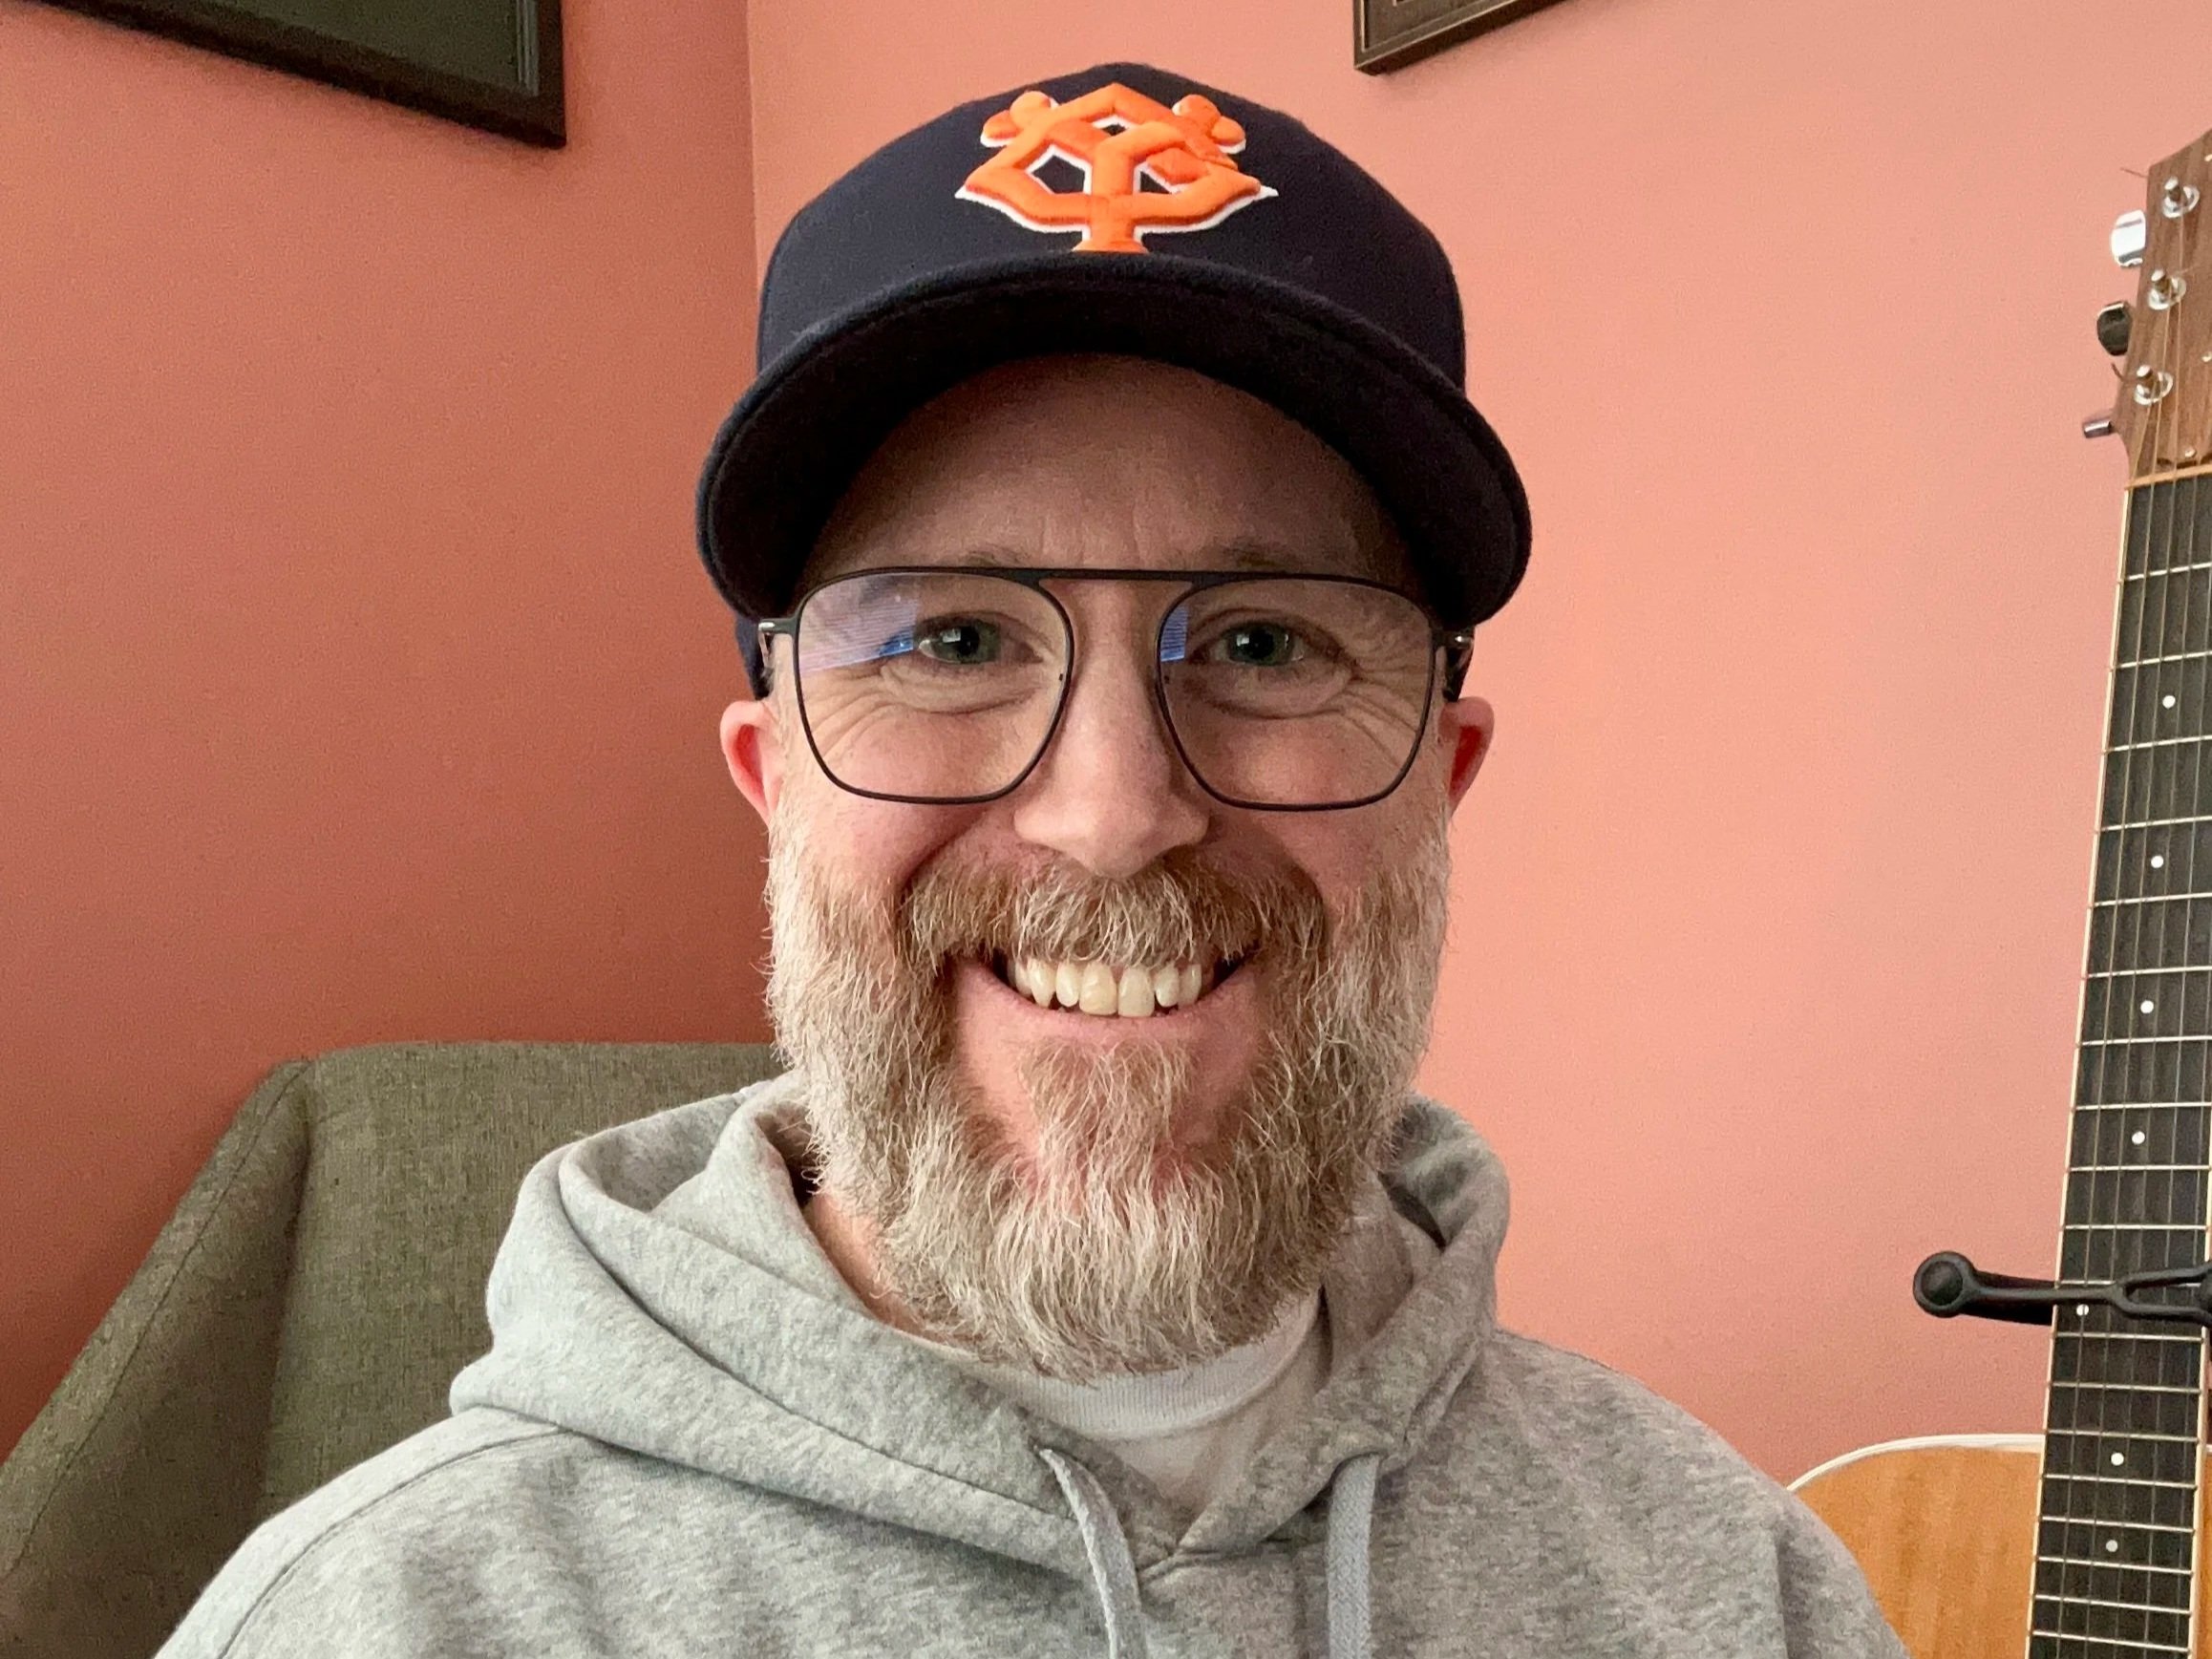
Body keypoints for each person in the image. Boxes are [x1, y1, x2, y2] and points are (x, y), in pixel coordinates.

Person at [158, 62, 1904, 1658]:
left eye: (1269, 644)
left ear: (1439, 782)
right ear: (774, 782)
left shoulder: (1735, 1586)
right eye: (950, 640)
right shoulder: (385, 1617)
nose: (1111, 810)